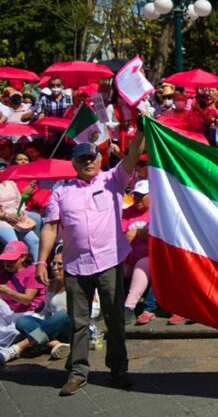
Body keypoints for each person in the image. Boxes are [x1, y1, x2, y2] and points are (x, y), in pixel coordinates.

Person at [36, 133, 145, 396]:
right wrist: (41, 260)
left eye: (92, 157)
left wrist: (140, 129)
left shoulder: (113, 179)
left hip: (109, 260)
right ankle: (78, 372)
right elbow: (50, 227)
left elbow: (132, 156)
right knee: (78, 321)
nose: (87, 162)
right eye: (82, 159)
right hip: (76, 265)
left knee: (114, 319)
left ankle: (118, 369)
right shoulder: (61, 192)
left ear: (99, 160)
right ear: (74, 163)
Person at [1, 246, 70, 363]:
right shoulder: (50, 284)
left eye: (60, 264)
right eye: (53, 264)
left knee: (63, 314)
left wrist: (74, 308)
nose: (55, 268)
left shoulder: (81, 284)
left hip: (72, 328)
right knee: (23, 321)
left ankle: (19, 347)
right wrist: (38, 320)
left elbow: (94, 309)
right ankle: (54, 343)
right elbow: (46, 311)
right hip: (53, 327)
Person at [120, 181, 153, 326]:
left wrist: (140, 233)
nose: (137, 200)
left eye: (142, 196)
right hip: (128, 257)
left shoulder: (157, 213)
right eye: (136, 196)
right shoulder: (127, 213)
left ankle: (129, 306)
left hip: (149, 259)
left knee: (142, 265)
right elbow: (120, 233)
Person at [0, 173, 40, 260]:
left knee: (34, 240)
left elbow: (19, 199)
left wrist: (21, 212)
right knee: (14, 245)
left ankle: (34, 268)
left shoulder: (11, 183)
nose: (1, 170)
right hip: (2, 220)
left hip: (17, 216)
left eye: (3, 168)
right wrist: (6, 216)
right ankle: (12, 271)